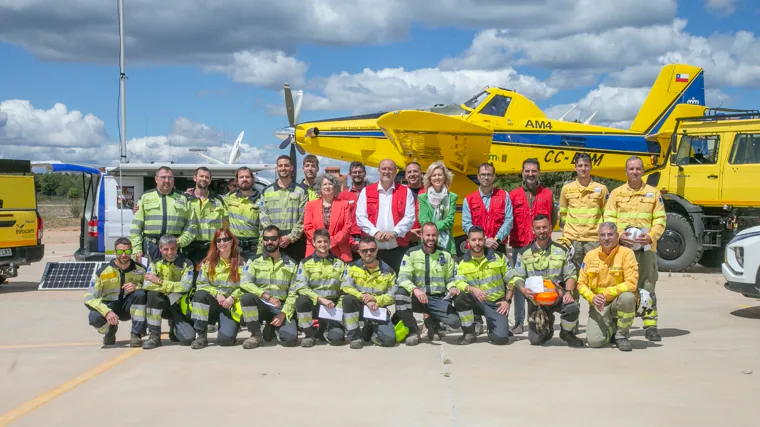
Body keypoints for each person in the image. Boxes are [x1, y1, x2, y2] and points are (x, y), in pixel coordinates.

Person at [604, 156, 666, 342]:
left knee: (647, 286)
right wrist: (619, 234)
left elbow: (660, 219)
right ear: (625, 171)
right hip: (623, 249)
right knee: (621, 287)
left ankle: (650, 326)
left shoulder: (653, 193)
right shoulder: (616, 194)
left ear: (643, 171)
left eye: (638, 169)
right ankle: (621, 328)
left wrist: (651, 236)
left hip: (646, 250)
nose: (635, 172)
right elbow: (608, 217)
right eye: (631, 169)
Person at [508, 215, 583, 347]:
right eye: (538, 228)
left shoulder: (561, 250)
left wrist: (569, 292)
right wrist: (523, 289)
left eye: (544, 227)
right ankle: (547, 326)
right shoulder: (524, 253)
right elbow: (517, 277)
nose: (542, 230)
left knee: (572, 307)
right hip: (536, 300)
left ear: (550, 228)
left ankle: (567, 332)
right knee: (536, 340)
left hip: (557, 296)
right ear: (533, 230)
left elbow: (570, 274)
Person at [462, 162, 513, 334]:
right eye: (483, 174)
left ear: (494, 176)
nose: (486, 177)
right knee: (474, 281)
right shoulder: (469, 199)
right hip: (477, 247)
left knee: (501, 282)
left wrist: (496, 239)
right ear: (478, 176)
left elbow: (509, 220)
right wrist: (484, 241)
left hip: (498, 246)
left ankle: (498, 316)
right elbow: (466, 224)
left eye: (489, 174)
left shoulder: (504, 196)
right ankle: (477, 319)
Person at [394, 222, 462, 345]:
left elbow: (450, 278)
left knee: (455, 322)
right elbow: (402, 277)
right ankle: (413, 331)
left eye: (434, 235)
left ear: (437, 236)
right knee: (400, 294)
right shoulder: (411, 253)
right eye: (428, 235)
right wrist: (415, 289)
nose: (431, 238)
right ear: (421, 235)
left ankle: (432, 324)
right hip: (418, 298)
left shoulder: (445, 255)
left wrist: (452, 287)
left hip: (438, 299)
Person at [508, 158, 554, 335]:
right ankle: (519, 321)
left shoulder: (548, 194)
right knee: (520, 285)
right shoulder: (513, 195)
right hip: (520, 246)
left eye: (534, 171)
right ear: (522, 172)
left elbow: (553, 219)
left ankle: (541, 319)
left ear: (539, 173)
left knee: (542, 283)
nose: (530, 174)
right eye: (527, 171)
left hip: (541, 247)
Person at [577, 222, 639, 351]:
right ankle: (612, 328)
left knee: (628, 297)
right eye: (602, 235)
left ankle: (622, 336)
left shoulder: (627, 253)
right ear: (598, 238)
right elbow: (581, 283)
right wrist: (592, 297)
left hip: (617, 300)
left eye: (610, 234)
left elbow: (632, 283)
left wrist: (606, 294)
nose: (606, 238)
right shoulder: (590, 256)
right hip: (599, 304)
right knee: (594, 342)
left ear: (617, 236)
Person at [238, 225, 299, 349]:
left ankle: (271, 327)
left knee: (290, 340)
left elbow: (294, 293)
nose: (269, 241)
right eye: (266, 239)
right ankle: (255, 335)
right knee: (247, 298)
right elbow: (244, 282)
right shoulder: (254, 261)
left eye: (273, 238)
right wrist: (266, 296)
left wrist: (283, 314)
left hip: (280, 307)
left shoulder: (292, 264)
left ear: (280, 239)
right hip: (262, 304)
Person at [452, 226, 514, 345]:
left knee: (500, 339)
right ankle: (469, 332)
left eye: (480, 240)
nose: (477, 243)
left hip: (496, 303)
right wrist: (473, 290)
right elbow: (458, 282)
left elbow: (512, 279)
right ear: (468, 242)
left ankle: (495, 329)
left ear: (485, 241)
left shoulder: (499, 257)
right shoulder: (460, 262)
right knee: (460, 297)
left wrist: (507, 301)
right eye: (474, 240)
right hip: (475, 302)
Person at [355, 158, 415, 273]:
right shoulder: (366, 191)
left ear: (395, 171)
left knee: (400, 282)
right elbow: (360, 217)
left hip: (399, 250)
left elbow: (410, 217)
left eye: (390, 169)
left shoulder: (405, 191)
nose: (387, 172)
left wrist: (394, 233)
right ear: (378, 171)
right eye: (384, 169)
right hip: (373, 252)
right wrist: (375, 233)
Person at [84, 238, 147, 347]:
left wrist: (138, 286)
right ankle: (110, 331)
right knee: (94, 317)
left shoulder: (141, 269)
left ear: (131, 252)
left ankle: (136, 334)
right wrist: (106, 312)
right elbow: (89, 298)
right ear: (114, 252)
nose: (123, 255)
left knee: (141, 294)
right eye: (119, 251)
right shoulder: (102, 272)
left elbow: (152, 288)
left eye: (127, 251)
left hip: (129, 307)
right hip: (110, 306)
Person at [189, 229, 245, 349]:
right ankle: (201, 336)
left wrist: (233, 297)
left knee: (226, 341)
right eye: (218, 240)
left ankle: (226, 328)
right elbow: (201, 284)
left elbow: (246, 285)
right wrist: (217, 294)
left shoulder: (242, 262)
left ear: (232, 241)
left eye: (225, 239)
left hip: (229, 305)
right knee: (200, 295)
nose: (222, 243)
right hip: (213, 303)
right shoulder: (208, 262)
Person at [341, 237, 398, 349]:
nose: (368, 253)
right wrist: (363, 297)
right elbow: (346, 286)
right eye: (364, 251)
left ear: (377, 250)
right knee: (348, 299)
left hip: (377, 308)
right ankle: (355, 337)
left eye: (372, 250)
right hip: (359, 307)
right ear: (359, 252)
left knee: (389, 340)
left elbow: (393, 295)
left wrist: (375, 300)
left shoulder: (388, 270)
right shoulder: (351, 267)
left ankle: (372, 333)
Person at [130, 166, 196, 264]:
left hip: (174, 248)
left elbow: (191, 225)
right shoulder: (145, 197)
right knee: (149, 277)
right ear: (156, 179)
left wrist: (180, 242)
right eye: (163, 177)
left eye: (170, 177)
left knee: (174, 277)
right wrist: (137, 249)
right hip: (150, 248)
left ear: (173, 180)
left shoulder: (184, 199)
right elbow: (136, 227)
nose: (167, 180)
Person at [141, 235, 196, 349]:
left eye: (173, 248)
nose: (170, 252)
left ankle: (174, 327)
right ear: (160, 249)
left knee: (188, 339)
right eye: (166, 249)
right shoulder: (155, 264)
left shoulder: (187, 263)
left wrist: (159, 281)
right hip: (162, 302)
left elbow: (184, 287)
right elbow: (147, 285)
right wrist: (169, 288)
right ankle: (154, 336)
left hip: (179, 305)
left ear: (177, 248)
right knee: (152, 295)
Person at [294, 229, 347, 347]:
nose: (322, 245)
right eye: (319, 242)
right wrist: (320, 299)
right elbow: (301, 287)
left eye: (325, 241)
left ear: (330, 243)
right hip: (315, 303)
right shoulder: (305, 263)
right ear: (313, 243)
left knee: (337, 339)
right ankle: (309, 335)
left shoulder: (340, 263)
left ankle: (324, 329)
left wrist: (337, 308)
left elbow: (346, 288)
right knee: (301, 300)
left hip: (333, 305)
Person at [559, 153, 609, 268]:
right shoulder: (566, 189)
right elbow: (563, 213)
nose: (583, 168)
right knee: (572, 273)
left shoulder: (602, 189)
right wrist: (565, 234)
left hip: (593, 239)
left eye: (586, 165)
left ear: (591, 167)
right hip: (572, 239)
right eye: (580, 165)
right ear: (575, 167)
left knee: (595, 272)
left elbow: (606, 214)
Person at [259, 155, 309, 262]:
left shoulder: (301, 191)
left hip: (295, 243)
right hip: (272, 243)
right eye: (280, 165)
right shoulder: (267, 191)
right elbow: (263, 216)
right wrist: (274, 237)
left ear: (292, 168)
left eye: (286, 165)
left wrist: (290, 237)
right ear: (276, 168)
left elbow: (303, 217)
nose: (283, 168)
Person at [185, 167, 229, 267]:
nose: (204, 179)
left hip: (213, 247)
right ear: (194, 178)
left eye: (207, 177)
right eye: (201, 176)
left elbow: (227, 223)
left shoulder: (218, 200)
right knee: (193, 279)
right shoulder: (185, 199)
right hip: (191, 248)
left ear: (210, 181)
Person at [304, 174, 353, 262]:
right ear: (320, 187)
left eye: (330, 184)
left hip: (339, 250)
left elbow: (347, 228)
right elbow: (308, 227)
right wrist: (320, 242)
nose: (327, 186)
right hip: (315, 250)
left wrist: (332, 242)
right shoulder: (310, 205)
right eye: (324, 184)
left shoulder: (344, 204)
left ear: (335, 187)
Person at [417, 161, 458, 254]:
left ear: (445, 177)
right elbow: (423, 221)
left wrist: (431, 227)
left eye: (440, 175)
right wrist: (434, 229)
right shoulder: (423, 198)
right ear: (430, 178)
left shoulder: (452, 197)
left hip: (447, 245)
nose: (437, 178)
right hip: (428, 243)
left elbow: (450, 221)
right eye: (434, 175)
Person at [225, 167, 262, 261]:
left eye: (247, 177)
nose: (244, 179)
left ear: (253, 180)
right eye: (241, 177)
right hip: (234, 246)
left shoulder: (261, 199)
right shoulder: (229, 197)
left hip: (254, 247)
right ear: (237, 181)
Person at [337, 161, 370, 260]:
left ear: (364, 173)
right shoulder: (343, 195)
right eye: (354, 172)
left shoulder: (372, 192)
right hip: (349, 238)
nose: (357, 174)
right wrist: (351, 241)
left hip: (369, 237)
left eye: (360, 172)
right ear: (350, 175)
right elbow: (340, 220)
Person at [404, 162, 425, 245]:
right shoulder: (400, 193)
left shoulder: (430, 192)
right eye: (409, 172)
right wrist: (408, 232)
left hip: (424, 239)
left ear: (421, 174)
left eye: (415, 171)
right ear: (406, 176)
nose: (412, 174)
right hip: (405, 238)